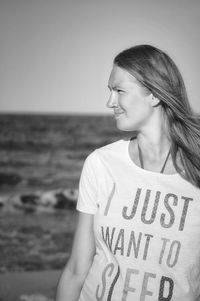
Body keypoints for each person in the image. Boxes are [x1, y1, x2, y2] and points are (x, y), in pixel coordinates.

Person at [55, 44, 200, 301]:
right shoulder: (100, 164)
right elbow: (77, 269)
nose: (110, 102)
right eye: (110, 90)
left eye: (119, 90)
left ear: (154, 95)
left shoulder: (195, 172)